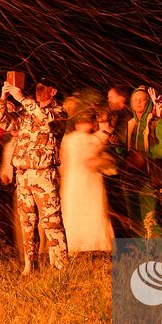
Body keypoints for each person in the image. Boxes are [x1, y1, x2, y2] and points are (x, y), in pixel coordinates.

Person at [0, 77, 69, 272]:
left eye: (43, 88)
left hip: (44, 174)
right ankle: (30, 264)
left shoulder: (59, 112)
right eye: (37, 87)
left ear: (53, 91)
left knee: (51, 220)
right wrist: (3, 99)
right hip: (23, 173)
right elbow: (2, 121)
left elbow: (44, 118)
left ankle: (60, 266)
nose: (38, 90)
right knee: (27, 222)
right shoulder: (26, 112)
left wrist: (22, 99)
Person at [115, 86, 162, 240]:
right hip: (130, 178)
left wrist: (146, 155)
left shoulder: (156, 123)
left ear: (148, 103)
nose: (139, 103)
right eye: (135, 100)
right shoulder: (129, 125)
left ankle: (160, 253)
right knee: (134, 220)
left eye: (143, 100)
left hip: (148, 177)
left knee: (150, 218)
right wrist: (118, 146)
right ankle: (140, 253)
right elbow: (127, 152)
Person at [59, 96, 115, 255]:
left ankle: (77, 243)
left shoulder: (70, 140)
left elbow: (64, 161)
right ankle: (93, 242)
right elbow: (98, 158)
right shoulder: (93, 140)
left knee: (79, 210)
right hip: (84, 179)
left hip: (76, 180)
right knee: (90, 209)